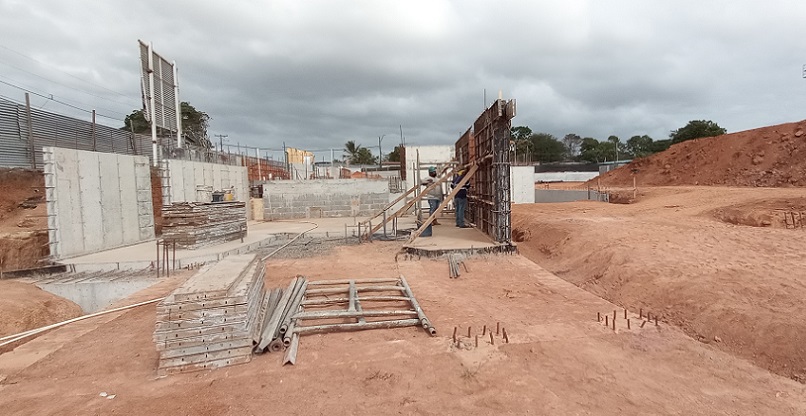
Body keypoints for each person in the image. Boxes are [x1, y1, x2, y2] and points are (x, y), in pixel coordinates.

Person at [420, 166, 443, 236]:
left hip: (437, 197)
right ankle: (431, 221)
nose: (434, 173)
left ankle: (434, 220)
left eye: (434, 172)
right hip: (432, 197)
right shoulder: (428, 178)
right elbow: (422, 182)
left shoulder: (436, 178)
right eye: (433, 172)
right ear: (430, 173)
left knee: (436, 210)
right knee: (432, 209)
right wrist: (427, 182)